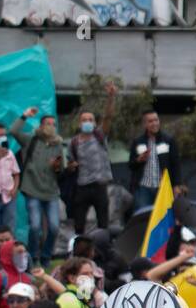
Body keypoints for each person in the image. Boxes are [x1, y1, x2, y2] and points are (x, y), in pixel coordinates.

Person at [11, 107, 66, 266]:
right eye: (48, 123)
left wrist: (56, 166)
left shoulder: (58, 145)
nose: (51, 126)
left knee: (54, 227)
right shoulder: (31, 140)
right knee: (35, 226)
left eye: (53, 124)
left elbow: (60, 170)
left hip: (51, 193)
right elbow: (13, 131)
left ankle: (46, 256)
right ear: (41, 126)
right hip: (32, 191)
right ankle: (33, 255)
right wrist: (25, 115)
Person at [66, 82, 118, 232]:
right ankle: (78, 249)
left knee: (103, 222)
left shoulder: (99, 136)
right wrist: (71, 166)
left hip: (100, 185)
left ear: (95, 123)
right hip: (82, 186)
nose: (87, 122)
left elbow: (108, 117)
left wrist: (111, 97)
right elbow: (70, 164)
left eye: (90, 120)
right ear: (79, 123)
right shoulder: (74, 142)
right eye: (84, 120)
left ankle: (103, 249)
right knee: (79, 223)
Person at [128, 108, 182, 213]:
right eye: (150, 121)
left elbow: (176, 164)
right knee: (143, 216)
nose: (154, 123)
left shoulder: (168, 140)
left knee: (164, 217)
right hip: (143, 187)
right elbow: (131, 165)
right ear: (144, 124)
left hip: (163, 187)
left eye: (156, 120)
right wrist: (138, 160)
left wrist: (176, 185)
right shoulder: (138, 142)